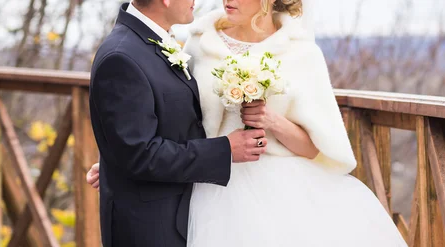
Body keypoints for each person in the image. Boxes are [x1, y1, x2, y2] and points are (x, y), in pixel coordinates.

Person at [88, 0, 409, 246]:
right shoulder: (200, 41)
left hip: (284, 192)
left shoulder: (302, 53)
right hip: (208, 188)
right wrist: (116, 160)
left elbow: (318, 147)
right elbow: (166, 111)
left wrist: (271, 121)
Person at [88, 0, 267, 246]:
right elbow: (141, 155)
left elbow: (137, 140)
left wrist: (115, 162)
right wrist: (225, 150)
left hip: (180, 215)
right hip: (149, 228)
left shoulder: (153, 41)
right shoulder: (122, 57)